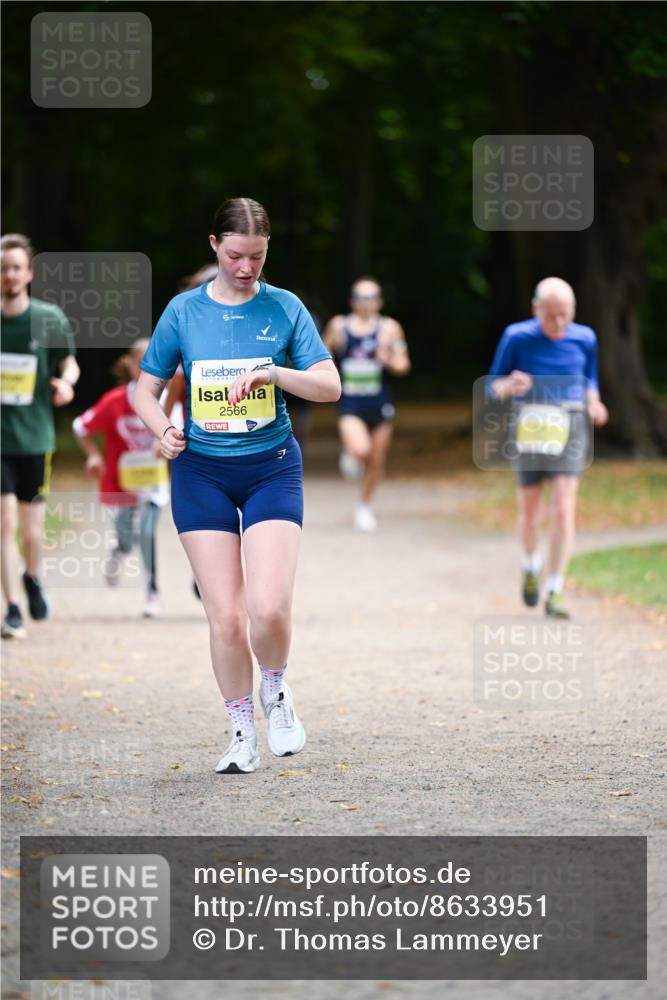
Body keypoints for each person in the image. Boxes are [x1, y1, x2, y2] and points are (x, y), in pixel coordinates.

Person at [133, 197, 340, 774]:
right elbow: (143, 391)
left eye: (256, 256)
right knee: (225, 618)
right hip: (200, 472)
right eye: (234, 256)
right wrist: (165, 432)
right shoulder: (182, 312)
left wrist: (275, 372)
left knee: (268, 611)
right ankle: (241, 730)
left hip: (271, 465)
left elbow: (330, 386)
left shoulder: (285, 307)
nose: (246, 267)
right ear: (213, 246)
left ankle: (275, 688)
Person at [488, 277, 609, 618]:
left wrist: (594, 402)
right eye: (551, 315)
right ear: (535, 310)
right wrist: (510, 384)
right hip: (529, 426)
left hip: (570, 427)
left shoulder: (586, 337)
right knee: (530, 512)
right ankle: (530, 565)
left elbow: (590, 379)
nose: (558, 323)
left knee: (562, 507)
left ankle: (555, 589)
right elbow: (492, 386)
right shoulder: (517, 336)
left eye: (565, 315)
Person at [1, 233, 79, 639]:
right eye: (2, 269)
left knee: (32, 531)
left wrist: (65, 384)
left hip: (34, 439)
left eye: (15, 267)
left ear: (28, 272)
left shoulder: (47, 318)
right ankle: (12, 608)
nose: (9, 275)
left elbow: (70, 363)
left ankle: (32, 578)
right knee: (4, 524)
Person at [72, 339, 169, 618]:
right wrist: (94, 456)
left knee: (148, 533)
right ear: (130, 366)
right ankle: (119, 549)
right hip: (120, 483)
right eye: (142, 362)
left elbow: (181, 428)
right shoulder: (115, 401)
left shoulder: (167, 401)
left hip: (152, 481)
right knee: (128, 538)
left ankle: (152, 591)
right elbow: (80, 428)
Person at [323, 277, 410, 531]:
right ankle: (350, 451)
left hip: (380, 402)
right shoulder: (339, 326)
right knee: (361, 450)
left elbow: (404, 365)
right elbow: (320, 357)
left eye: (372, 297)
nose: (366, 303)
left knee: (376, 458)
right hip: (350, 402)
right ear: (352, 301)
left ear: (380, 301)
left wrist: (388, 359)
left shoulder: (390, 329)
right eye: (361, 297)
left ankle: (364, 506)